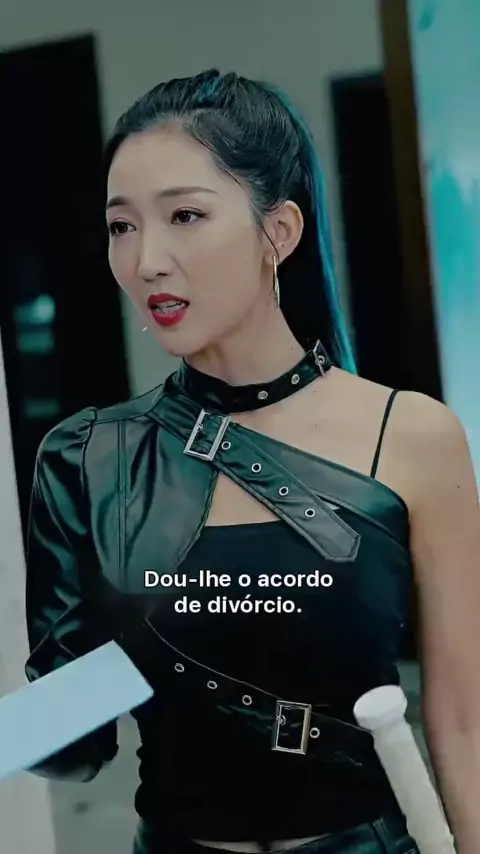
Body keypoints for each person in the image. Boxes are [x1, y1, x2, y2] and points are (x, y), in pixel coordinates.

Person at [24, 69, 480, 854]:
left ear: (281, 232)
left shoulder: (411, 437)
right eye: (122, 226)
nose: (146, 260)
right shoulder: (88, 458)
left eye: (185, 216)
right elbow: (77, 747)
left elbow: (465, 722)